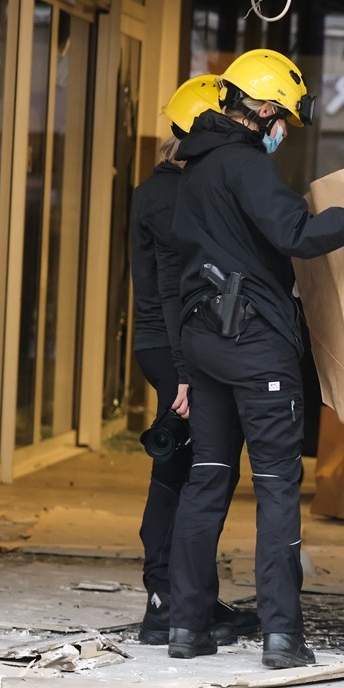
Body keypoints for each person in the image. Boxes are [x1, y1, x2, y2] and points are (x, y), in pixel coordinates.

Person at [167, 49, 344, 669]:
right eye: (287, 119)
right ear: (269, 108)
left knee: (209, 480)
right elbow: (295, 235)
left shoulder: (193, 167)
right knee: (277, 489)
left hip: (205, 342)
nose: (286, 132)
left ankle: (186, 625)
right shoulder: (245, 165)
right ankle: (282, 637)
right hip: (256, 348)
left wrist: (182, 363)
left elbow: (181, 267)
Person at [130, 75, 258, 646]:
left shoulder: (165, 187)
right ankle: (168, 602)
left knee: (192, 473)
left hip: (168, 344)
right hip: (175, 347)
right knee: (186, 475)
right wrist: (186, 372)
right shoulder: (172, 194)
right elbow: (173, 289)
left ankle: (186, 597)